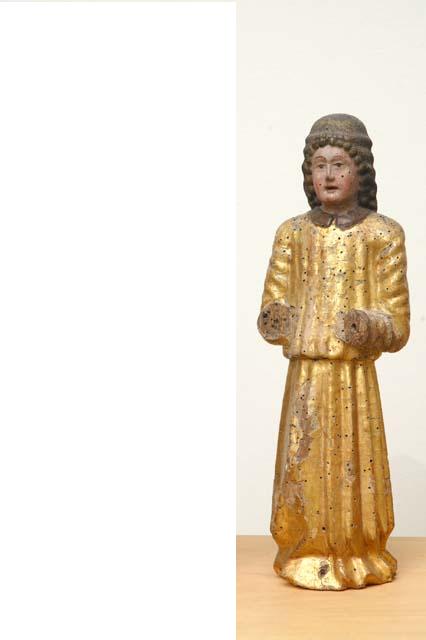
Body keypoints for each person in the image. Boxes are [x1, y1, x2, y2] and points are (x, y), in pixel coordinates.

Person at [257, 113, 410, 590]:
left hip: (353, 380)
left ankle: (358, 549)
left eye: (339, 165)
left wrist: (367, 326)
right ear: (308, 173)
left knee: (353, 466)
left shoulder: (382, 234)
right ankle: (304, 548)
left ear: (360, 172)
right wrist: (276, 319)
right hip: (305, 375)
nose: (327, 175)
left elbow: (398, 323)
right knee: (301, 461)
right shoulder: (292, 233)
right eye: (318, 165)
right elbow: (273, 301)